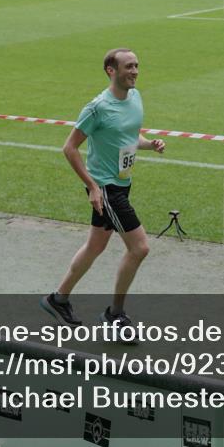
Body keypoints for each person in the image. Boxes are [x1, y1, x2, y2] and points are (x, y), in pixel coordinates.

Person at [41, 48, 165, 336]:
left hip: (123, 183)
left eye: (136, 66)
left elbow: (129, 135)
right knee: (140, 248)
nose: (134, 71)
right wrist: (93, 187)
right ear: (111, 71)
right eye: (128, 67)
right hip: (107, 189)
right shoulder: (97, 108)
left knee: (96, 246)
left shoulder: (135, 97)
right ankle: (115, 315)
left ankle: (57, 299)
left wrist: (150, 144)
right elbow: (69, 148)